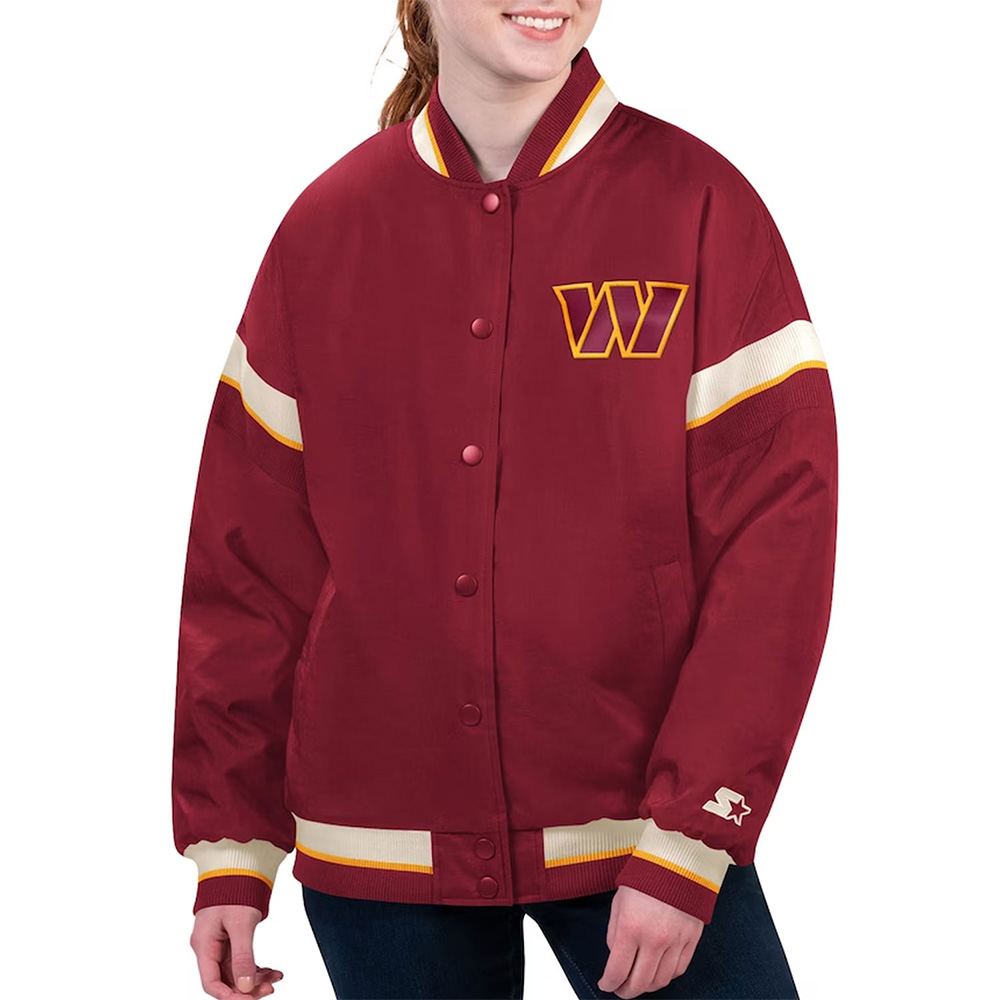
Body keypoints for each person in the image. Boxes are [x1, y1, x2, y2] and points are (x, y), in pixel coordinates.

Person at [171, 1, 838, 998]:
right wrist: (232, 845)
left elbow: (776, 541)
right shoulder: (327, 229)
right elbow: (250, 559)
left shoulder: (697, 204)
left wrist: (693, 831)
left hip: (641, 828)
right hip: (380, 844)